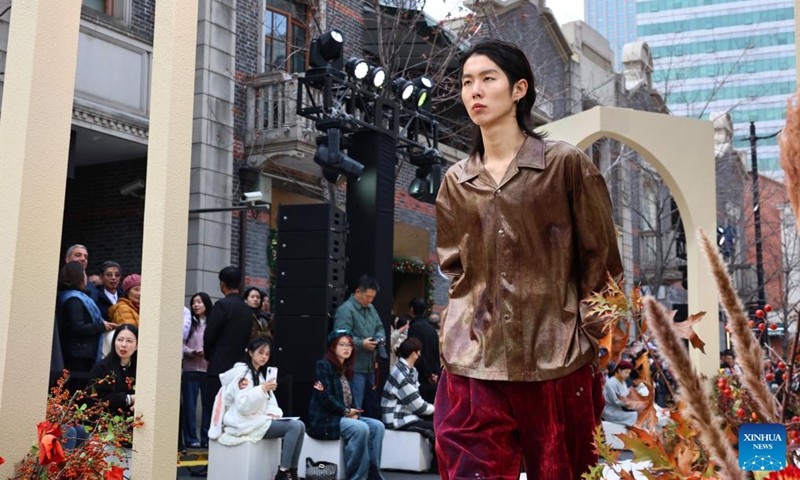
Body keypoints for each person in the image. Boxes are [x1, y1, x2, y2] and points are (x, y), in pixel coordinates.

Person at [434, 39, 623, 480]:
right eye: (466, 82)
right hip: (473, 365)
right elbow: (455, 269)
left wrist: (592, 339)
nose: (474, 91)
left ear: (519, 89)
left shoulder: (565, 166)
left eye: (487, 79)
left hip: (557, 361)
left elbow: (602, 262)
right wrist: (455, 332)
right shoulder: (455, 181)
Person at [209, 336, 305, 480]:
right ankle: (283, 472)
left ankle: (292, 471)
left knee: (301, 426)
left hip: (257, 420)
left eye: (267, 354)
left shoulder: (258, 375)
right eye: (261, 352)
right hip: (243, 422)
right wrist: (262, 389)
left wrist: (272, 413)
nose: (264, 357)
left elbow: (270, 403)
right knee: (295, 426)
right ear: (250, 352)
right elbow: (243, 406)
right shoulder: (243, 376)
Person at [308, 329, 385, 480]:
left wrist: (353, 412)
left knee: (377, 426)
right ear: (333, 347)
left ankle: (373, 474)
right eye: (342, 345)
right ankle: (357, 477)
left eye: (349, 345)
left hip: (345, 416)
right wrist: (346, 411)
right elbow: (325, 397)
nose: (346, 348)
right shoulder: (323, 366)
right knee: (360, 428)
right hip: (327, 419)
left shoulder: (347, 368)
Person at [204, 266, 254, 435]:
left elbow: (210, 335)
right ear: (240, 284)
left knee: (215, 413)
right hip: (240, 368)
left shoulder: (222, 305)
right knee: (234, 413)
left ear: (222, 284)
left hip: (219, 366)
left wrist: (209, 355)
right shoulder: (247, 309)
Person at [333, 275, 386, 418]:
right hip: (354, 368)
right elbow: (340, 337)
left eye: (372, 297)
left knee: (372, 409)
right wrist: (361, 343)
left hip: (370, 367)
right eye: (367, 297)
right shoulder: (345, 310)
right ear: (357, 292)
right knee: (355, 407)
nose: (369, 301)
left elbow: (380, 327)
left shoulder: (371, 308)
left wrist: (380, 338)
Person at [380, 338, 436, 473]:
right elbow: (418, 406)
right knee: (436, 429)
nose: (420, 355)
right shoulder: (401, 374)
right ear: (414, 354)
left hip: (405, 415)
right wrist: (438, 409)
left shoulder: (409, 370)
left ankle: (436, 465)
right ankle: (437, 467)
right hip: (396, 419)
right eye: (419, 352)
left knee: (435, 425)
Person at [57, 261, 116, 384]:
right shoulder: (74, 300)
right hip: (78, 355)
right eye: (83, 273)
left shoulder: (76, 297)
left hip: (81, 353)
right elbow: (78, 327)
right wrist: (101, 326)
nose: (85, 277)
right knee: (77, 389)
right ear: (78, 277)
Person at [183, 292, 213, 448]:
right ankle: (191, 439)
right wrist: (191, 352)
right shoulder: (189, 323)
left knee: (208, 405)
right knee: (190, 405)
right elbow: (180, 344)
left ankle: (206, 438)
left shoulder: (213, 323)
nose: (196, 305)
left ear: (206, 303)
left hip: (207, 368)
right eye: (193, 302)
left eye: (199, 302)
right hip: (190, 368)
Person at [89, 324, 138, 416]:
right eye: (120, 340)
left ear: (137, 346)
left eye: (129, 341)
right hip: (106, 422)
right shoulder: (101, 368)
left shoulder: (141, 369)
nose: (123, 345)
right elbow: (95, 401)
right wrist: (129, 399)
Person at [406, 298, 440, 404]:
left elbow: (414, 352)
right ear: (424, 311)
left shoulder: (414, 327)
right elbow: (436, 352)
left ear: (411, 310)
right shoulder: (432, 329)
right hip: (432, 377)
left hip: (420, 375)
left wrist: (427, 373)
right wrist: (435, 373)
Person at [601, 361, 638, 427]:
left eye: (629, 373)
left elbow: (625, 395)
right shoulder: (612, 382)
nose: (627, 375)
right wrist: (629, 397)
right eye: (626, 372)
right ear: (619, 370)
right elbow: (616, 401)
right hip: (609, 410)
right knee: (634, 415)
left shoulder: (622, 382)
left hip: (618, 408)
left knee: (638, 412)